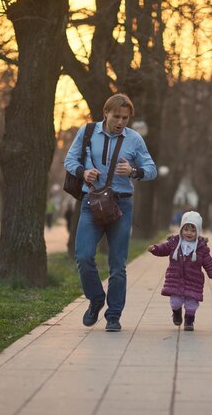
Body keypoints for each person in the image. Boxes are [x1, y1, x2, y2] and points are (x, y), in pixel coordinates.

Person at [64, 93, 157, 332]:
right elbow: (69, 160)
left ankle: (113, 315)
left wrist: (134, 171)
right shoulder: (87, 132)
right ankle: (96, 299)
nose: (120, 122)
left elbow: (151, 169)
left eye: (125, 118)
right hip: (91, 202)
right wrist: (84, 172)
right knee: (83, 256)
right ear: (105, 113)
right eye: (116, 116)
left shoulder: (134, 139)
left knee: (117, 264)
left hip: (121, 205)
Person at [147, 211, 212, 331]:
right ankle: (176, 313)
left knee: (192, 304)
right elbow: (163, 249)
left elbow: (209, 263)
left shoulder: (202, 248)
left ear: (198, 232)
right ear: (181, 229)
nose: (189, 233)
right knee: (175, 302)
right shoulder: (174, 243)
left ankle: (189, 320)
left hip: (194, 280)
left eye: (193, 230)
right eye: (186, 229)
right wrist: (155, 249)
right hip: (176, 279)